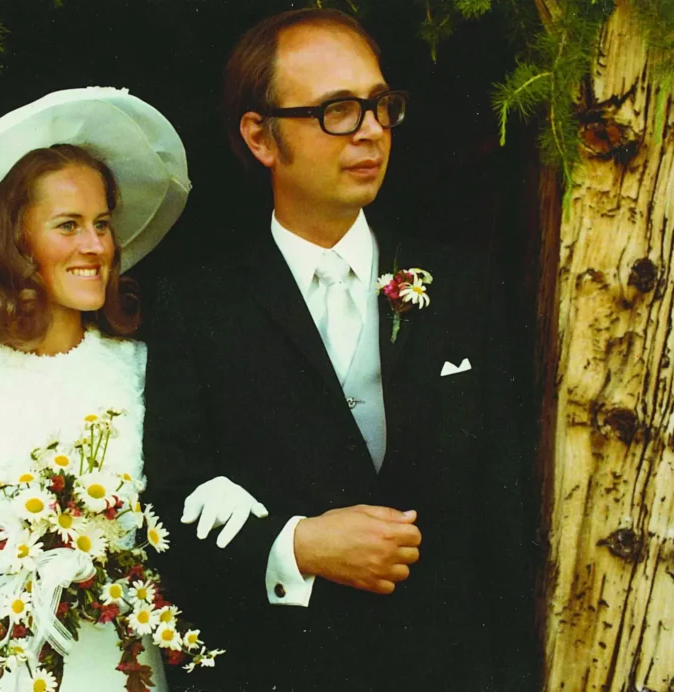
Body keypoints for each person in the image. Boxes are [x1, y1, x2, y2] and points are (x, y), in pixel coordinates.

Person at [143, 9, 540, 692]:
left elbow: (504, 520)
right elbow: (168, 505)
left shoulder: (466, 286)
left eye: (381, 105)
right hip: (281, 669)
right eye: (336, 110)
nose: (370, 130)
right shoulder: (194, 307)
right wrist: (296, 546)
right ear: (260, 137)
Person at [0, 88, 263, 692]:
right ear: (16, 243)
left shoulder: (145, 371)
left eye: (102, 225)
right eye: (69, 226)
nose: (96, 246)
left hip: (119, 668)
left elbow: (184, 512)